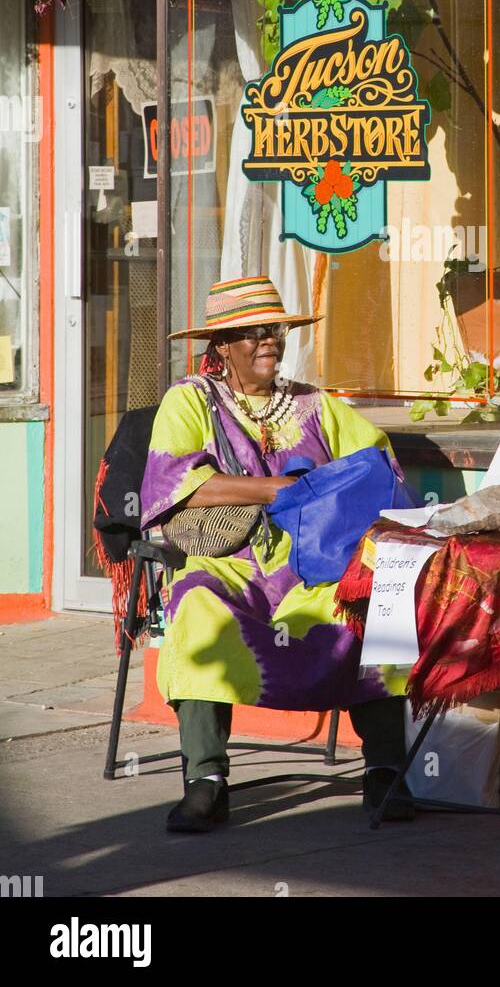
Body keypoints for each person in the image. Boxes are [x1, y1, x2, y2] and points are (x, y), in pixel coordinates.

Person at [140, 275, 413, 832]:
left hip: (316, 561)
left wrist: (335, 502)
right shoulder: (190, 399)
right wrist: (287, 489)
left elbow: (378, 470)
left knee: (380, 597)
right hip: (232, 561)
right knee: (196, 604)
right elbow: (178, 485)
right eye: (254, 331)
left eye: (278, 330)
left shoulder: (316, 404)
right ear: (221, 345)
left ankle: (386, 769)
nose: (270, 339)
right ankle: (206, 780)